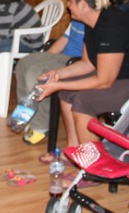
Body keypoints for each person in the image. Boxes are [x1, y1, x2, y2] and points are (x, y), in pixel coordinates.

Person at [36, 0, 129, 150]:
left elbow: (104, 80)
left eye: (71, 1)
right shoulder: (91, 23)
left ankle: (92, 161)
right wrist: (58, 74)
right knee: (66, 92)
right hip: (118, 75)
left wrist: (57, 85)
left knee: (84, 102)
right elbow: (88, 64)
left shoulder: (112, 26)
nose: (68, 5)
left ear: (83, 5)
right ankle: (73, 150)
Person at [14, 17, 85, 145]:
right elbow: (63, 40)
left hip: (75, 61)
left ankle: (41, 125)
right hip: (61, 57)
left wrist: (42, 65)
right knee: (23, 63)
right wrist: (43, 58)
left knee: (34, 74)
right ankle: (27, 114)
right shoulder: (76, 20)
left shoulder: (91, 21)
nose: (69, 7)